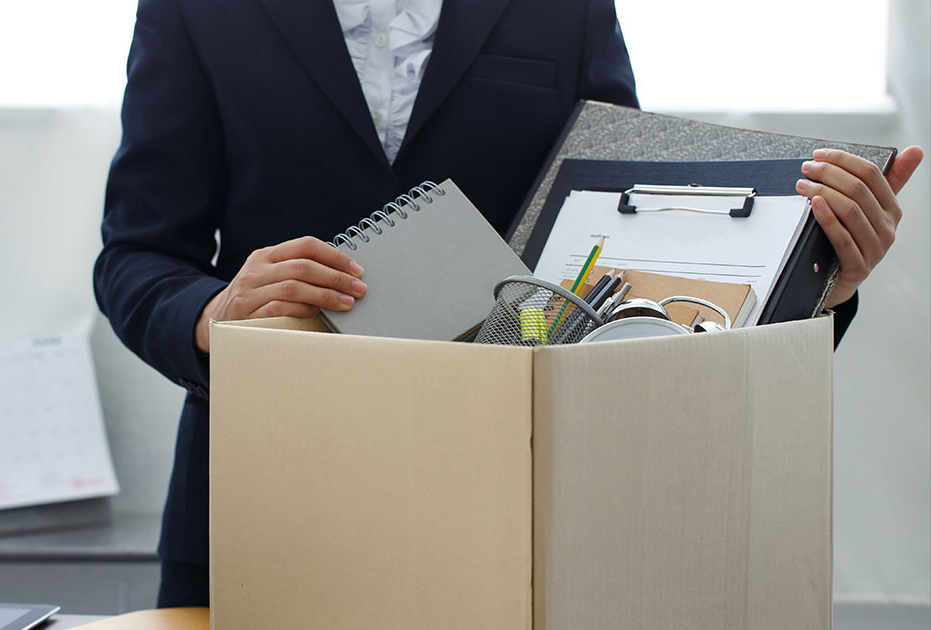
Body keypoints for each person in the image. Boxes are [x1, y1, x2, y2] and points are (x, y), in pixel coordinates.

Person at [93, 0, 923, 607]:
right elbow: (136, 256)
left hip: (513, 508)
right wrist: (211, 314)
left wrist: (820, 281)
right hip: (260, 498)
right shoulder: (194, 9)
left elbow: (622, 256)